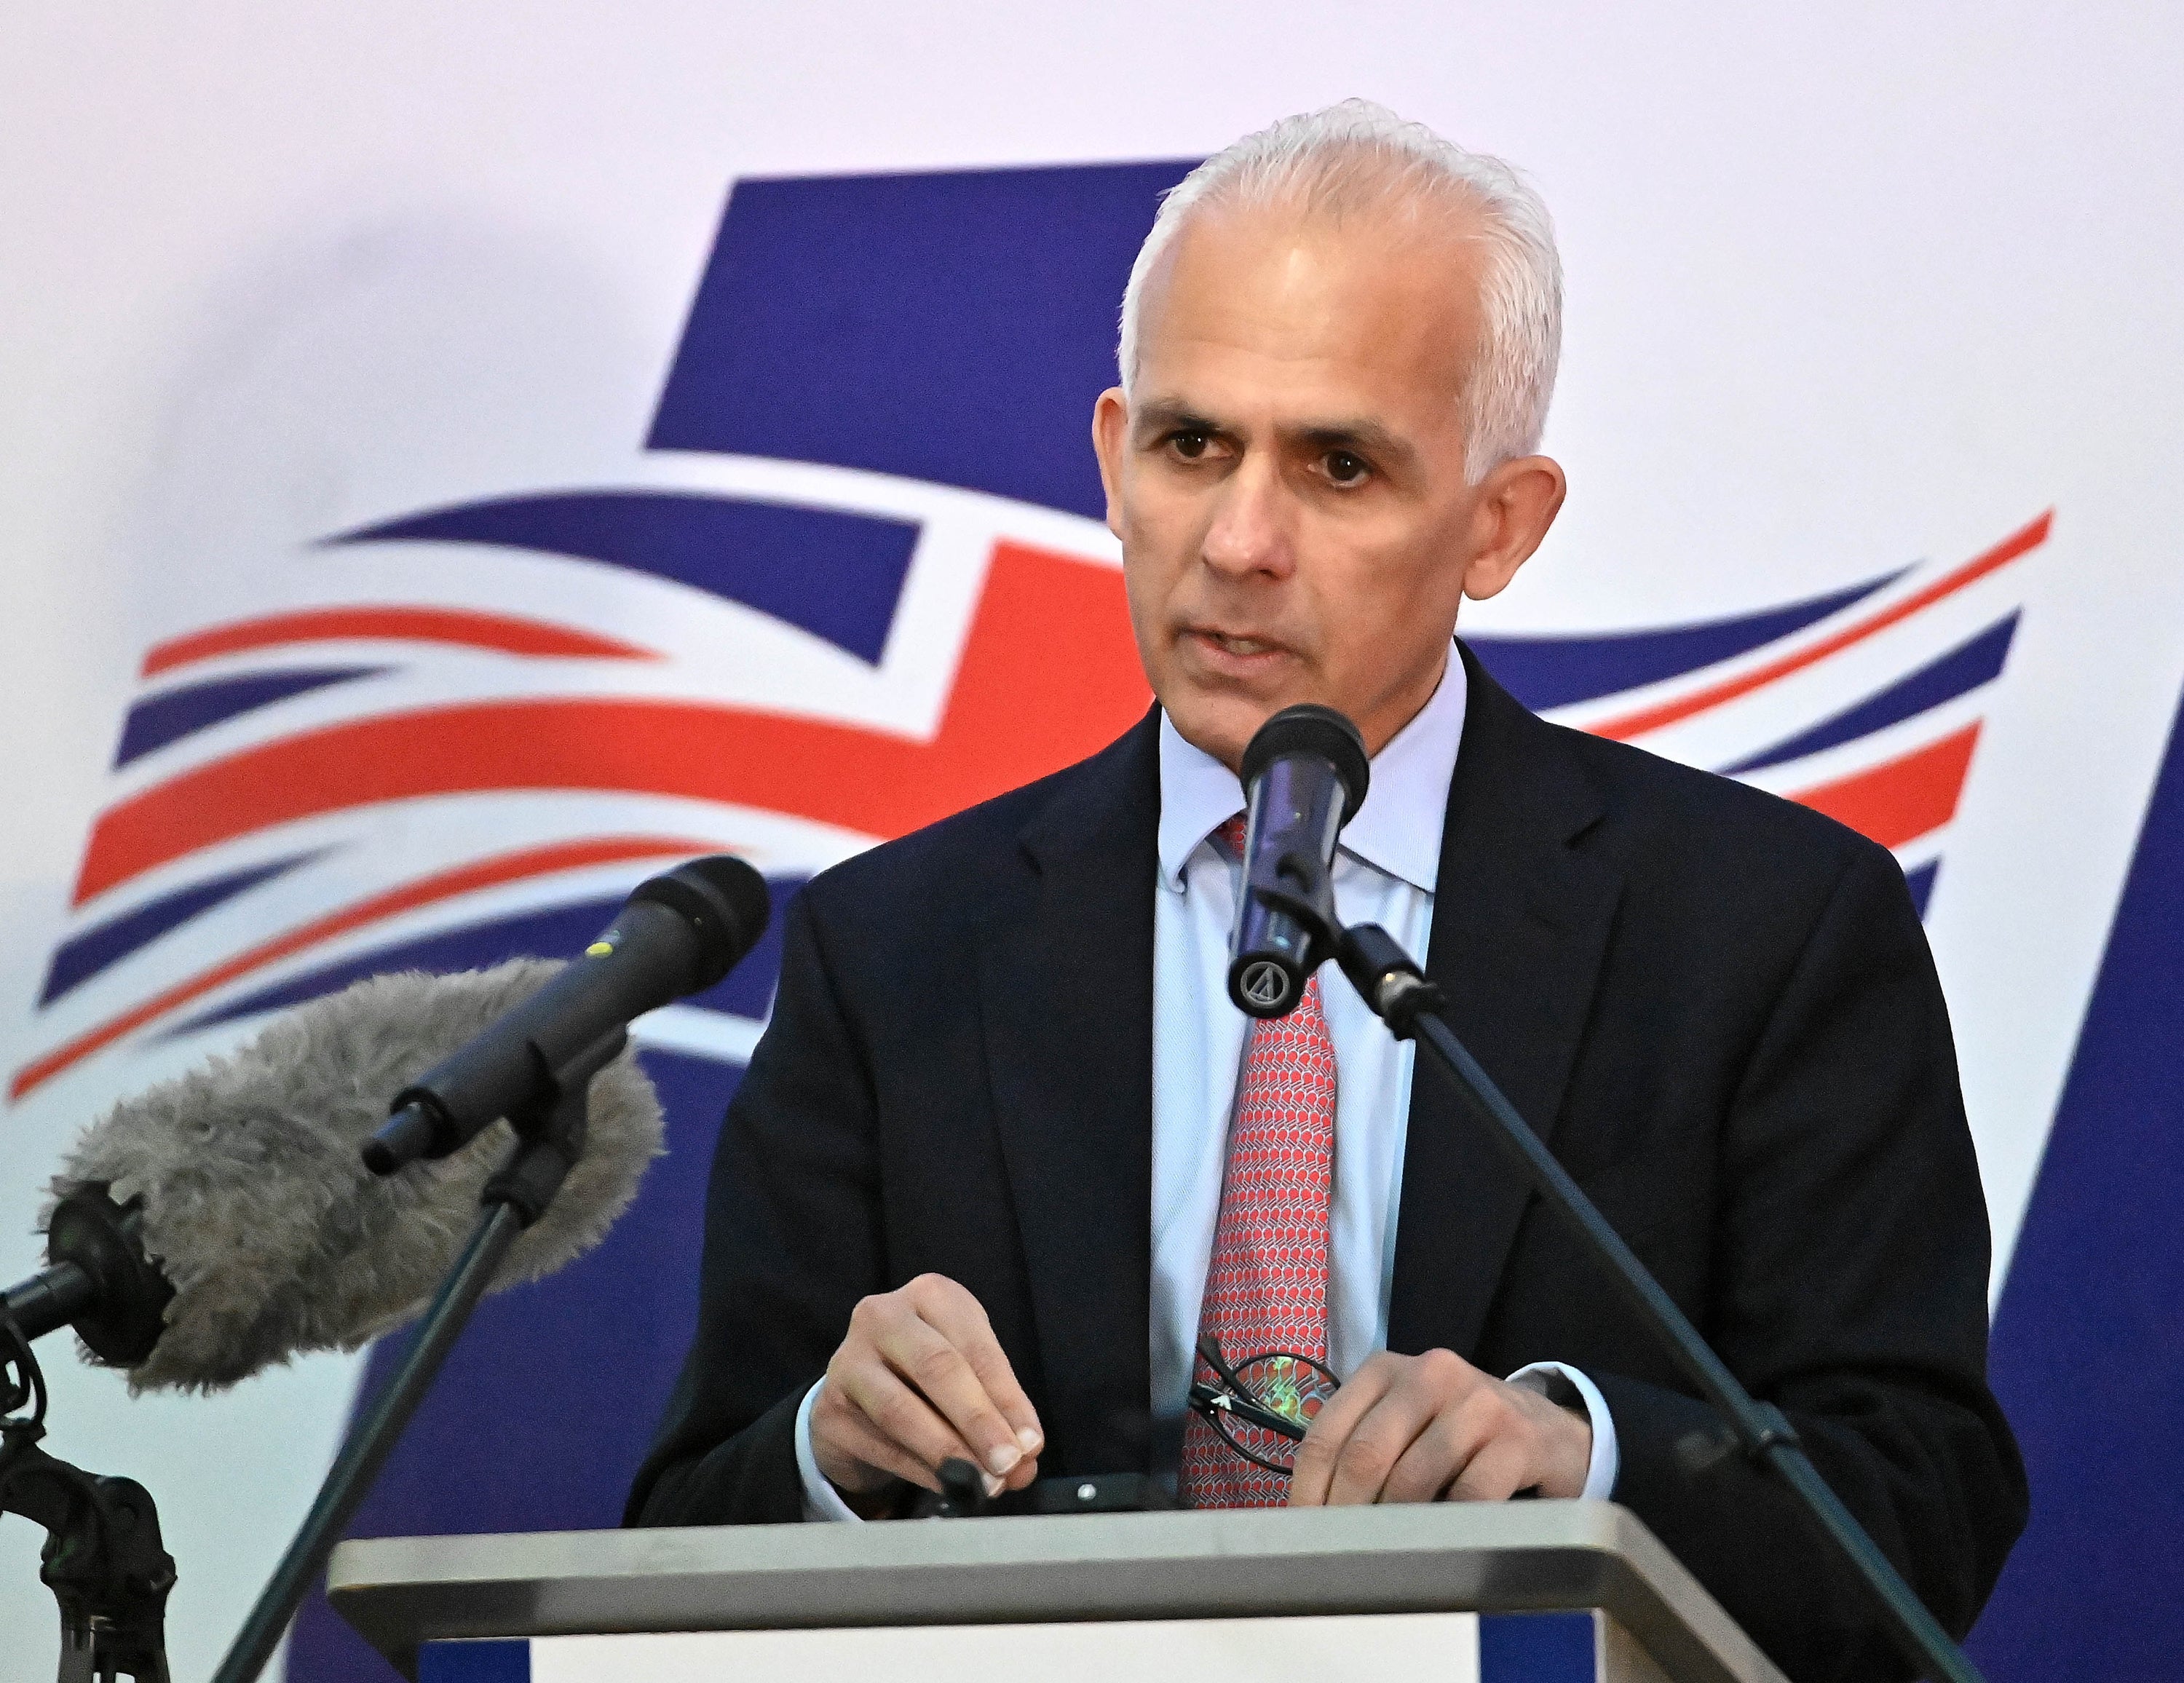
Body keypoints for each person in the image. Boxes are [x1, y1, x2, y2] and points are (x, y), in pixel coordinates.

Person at [626, 101, 2025, 1680]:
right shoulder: (898, 946)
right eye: (1191, 444)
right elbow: (684, 1512)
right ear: (1110, 458)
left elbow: (1923, 1507)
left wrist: (1586, 1465)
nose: (1239, 539)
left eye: (1340, 465)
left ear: (1500, 524)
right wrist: (832, 1445)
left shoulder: (1763, 928)